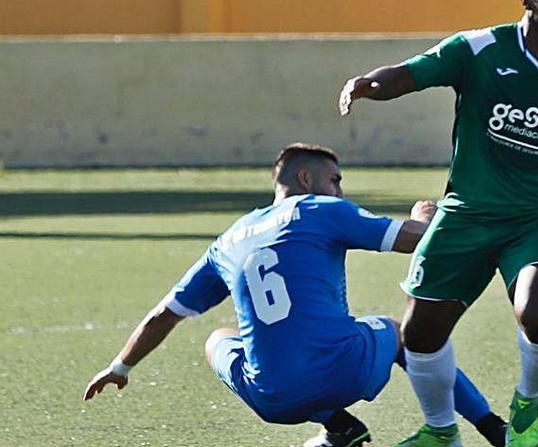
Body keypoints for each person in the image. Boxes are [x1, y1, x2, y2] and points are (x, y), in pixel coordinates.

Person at [338, 0, 538, 445]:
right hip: (466, 214)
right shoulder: (478, 49)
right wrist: (367, 85)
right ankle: (441, 433)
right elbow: (407, 73)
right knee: (419, 336)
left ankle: (527, 406)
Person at [83, 143, 507, 447]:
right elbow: (419, 240)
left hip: (274, 400)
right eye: (334, 180)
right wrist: (426, 215)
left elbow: (164, 315)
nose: (340, 190)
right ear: (306, 179)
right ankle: (490, 428)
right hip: (348, 372)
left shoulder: (228, 240)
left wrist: (120, 366)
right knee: (401, 331)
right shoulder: (322, 209)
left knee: (216, 339)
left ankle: (339, 426)